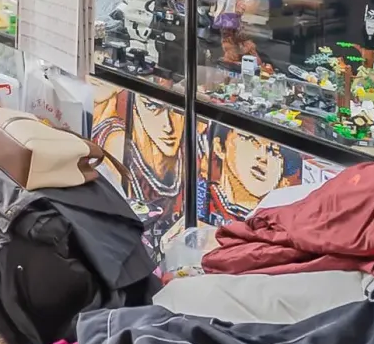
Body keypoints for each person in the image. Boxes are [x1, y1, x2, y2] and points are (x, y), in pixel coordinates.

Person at [92, 89, 186, 249]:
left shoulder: (194, 153)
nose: (168, 126)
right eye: (152, 107)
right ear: (135, 108)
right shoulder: (117, 143)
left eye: (176, 112)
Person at [201, 126, 300, 225]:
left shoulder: (285, 220)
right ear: (219, 148)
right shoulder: (201, 199)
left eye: (275, 151)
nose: (263, 157)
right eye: (250, 139)